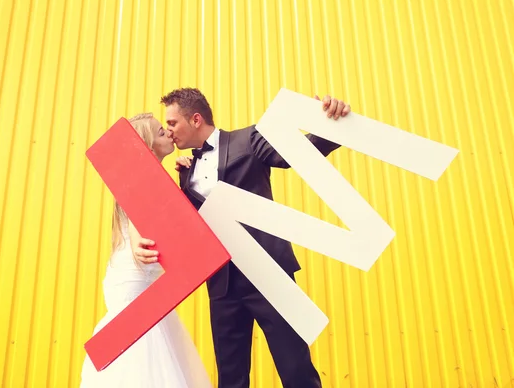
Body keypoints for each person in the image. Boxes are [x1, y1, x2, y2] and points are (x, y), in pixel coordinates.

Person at [134, 89, 351, 388]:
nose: (169, 130)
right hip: (223, 285)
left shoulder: (248, 139)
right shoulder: (186, 170)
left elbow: (298, 155)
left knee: (296, 369)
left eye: (172, 123)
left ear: (195, 119)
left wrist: (330, 123)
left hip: (268, 274)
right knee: (231, 378)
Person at [80, 113, 212, 388]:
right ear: (146, 144)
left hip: (140, 280)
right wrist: (139, 237)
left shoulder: (155, 177)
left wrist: (187, 181)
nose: (167, 132)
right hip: (136, 281)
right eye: (160, 132)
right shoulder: (136, 179)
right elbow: (137, 213)